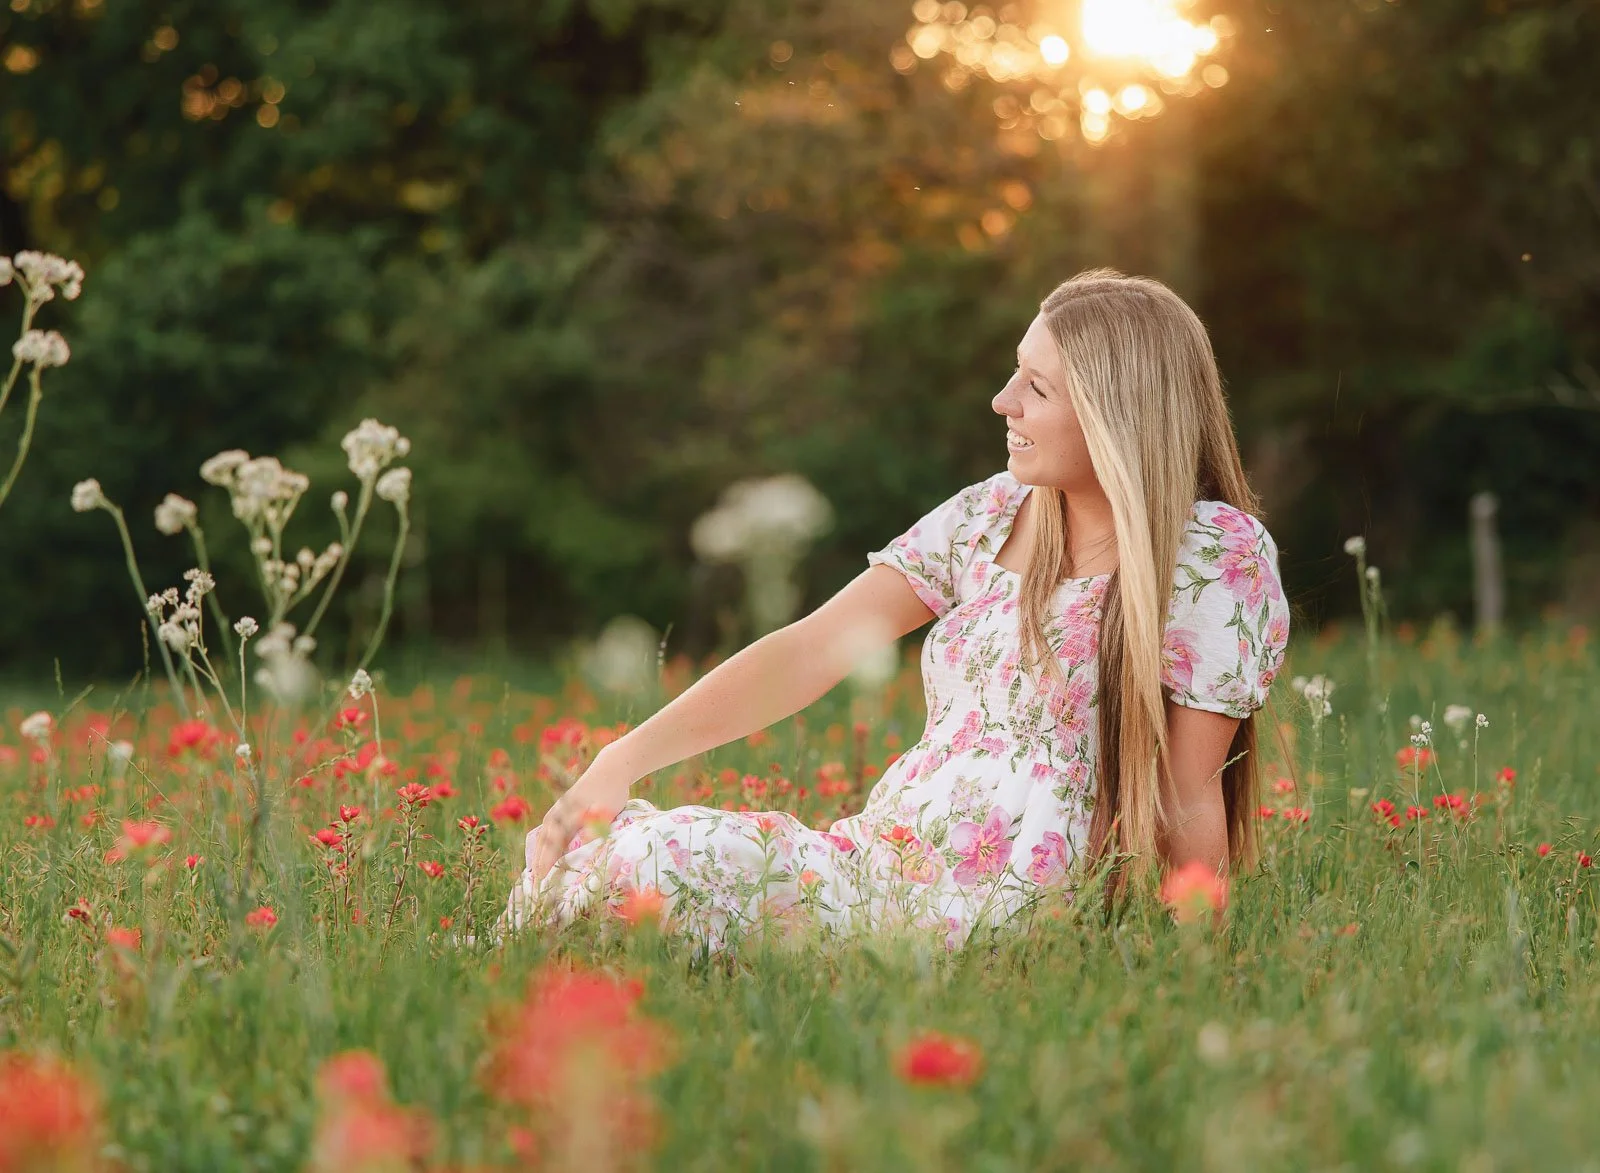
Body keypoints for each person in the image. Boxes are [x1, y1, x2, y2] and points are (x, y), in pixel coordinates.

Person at [499, 268, 1290, 951]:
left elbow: (1190, 794)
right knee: (616, 846)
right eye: (1015, 372)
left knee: (654, 869)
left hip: (999, 909)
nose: (1001, 400)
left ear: (1115, 413)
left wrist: (1197, 973)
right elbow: (812, 649)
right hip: (883, 862)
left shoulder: (1213, 554)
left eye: (1036, 386)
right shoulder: (993, 514)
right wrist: (619, 761)